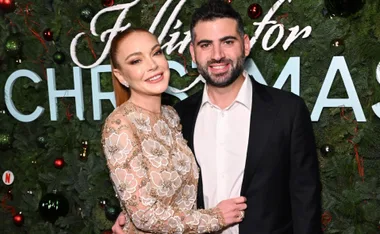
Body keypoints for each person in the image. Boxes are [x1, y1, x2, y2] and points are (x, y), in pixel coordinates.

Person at [112, 1, 322, 233]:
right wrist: (133, 213)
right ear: (193, 52)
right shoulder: (179, 116)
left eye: (228, 42)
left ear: (245, 45)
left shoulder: (287, 111)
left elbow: (306, 199)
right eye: (205, 45)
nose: (217, 55)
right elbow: (165, 184)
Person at [101, 27, 247, 233]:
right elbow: (144, 215)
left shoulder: (171, 116)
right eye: (136, 61)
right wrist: (216, 217)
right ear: (121, 76)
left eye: (156, 53)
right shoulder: (120, 126)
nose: (152, 65)